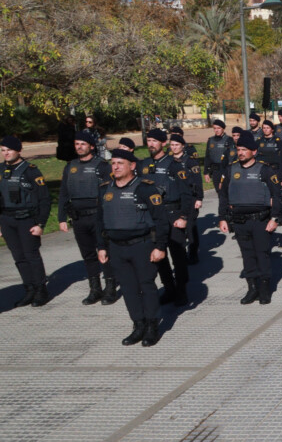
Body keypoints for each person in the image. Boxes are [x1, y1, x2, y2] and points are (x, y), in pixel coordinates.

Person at [96, 148, 170, 346]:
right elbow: (99, 220)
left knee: (146, 286)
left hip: (142, 245)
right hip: (117, 248)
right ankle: (138, 325)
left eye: (120, 163)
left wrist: (160, 246)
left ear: (132, 166)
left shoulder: (145, 188)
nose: (116, 167)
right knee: (128, 288)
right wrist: (101, 246)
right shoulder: (105, 189)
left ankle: (152, 326)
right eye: (113, 163)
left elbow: (161, 220)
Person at [217, 133, 282, 304]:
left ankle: (264, 289)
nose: (240, 153)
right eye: (238, 149)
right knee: (247, 255)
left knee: (262, 254)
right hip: (239, 221)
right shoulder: (231, 170)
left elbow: (277, 195)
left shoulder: (265, 170)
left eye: (244, 150)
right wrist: (223, 218)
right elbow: (223, 196)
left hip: (260, 220)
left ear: (254, 151)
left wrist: (275, 218)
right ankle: (252, 288)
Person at [58, 131, 118, 304]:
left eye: (83, 144)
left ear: (91, 146)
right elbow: (63, 193)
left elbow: (111, 191)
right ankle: (95, 289)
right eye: (77, 144)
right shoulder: (70, 166)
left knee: (104, 252)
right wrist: (61, 218)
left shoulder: (102, 165)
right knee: (88, 255)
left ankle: (110, 288)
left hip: (98, 216)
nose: (79, 147)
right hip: (78, 218)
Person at [139, 129, 194, 307]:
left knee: (178, 256)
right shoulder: (143, 165)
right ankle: (168, 288)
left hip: (172, 215)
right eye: (149, 140)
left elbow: (187, 194)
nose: (151, 144)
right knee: (158, 256)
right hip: (153, 218)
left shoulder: (174, 165)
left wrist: (184, 216)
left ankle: (182, 291)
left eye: (155, 141)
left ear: (163, 143)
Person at [1, 135, 51, 307]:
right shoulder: (1, 170)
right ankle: (29, 289)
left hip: (26, 219)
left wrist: (41, 224)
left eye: (9, 150)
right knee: (19, 257)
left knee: (31, 256)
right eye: (3, 150)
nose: (6, 153)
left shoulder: (31, 171)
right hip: (7, 219)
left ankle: (40, 290)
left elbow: (44, 199)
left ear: (19, 150)